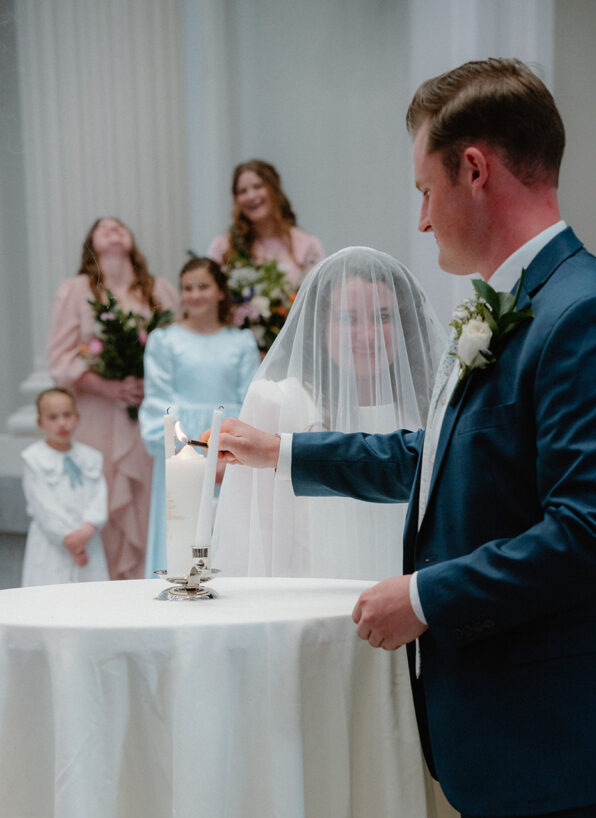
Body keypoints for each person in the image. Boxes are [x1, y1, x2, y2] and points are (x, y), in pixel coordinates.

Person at [212, 59, 596, 818]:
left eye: (423, 191)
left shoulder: (584, 314)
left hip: (577, 747)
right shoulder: (519, 308)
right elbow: (443, 459)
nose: (419, 221)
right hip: (515, 741)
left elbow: (595, 530)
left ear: (475, 170)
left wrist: (421, 597)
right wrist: (286, 451)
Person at [211, 246, 444, 580]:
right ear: (320, 326)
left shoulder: (427, 406)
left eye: (383, 317)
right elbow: (249, 545)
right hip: (309, 615)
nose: (368, 335)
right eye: (349, 318)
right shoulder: (277, 403)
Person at [47, 217, 179, 580]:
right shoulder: (75, 290)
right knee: (102, 499)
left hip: (147, 416)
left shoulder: (160, 290)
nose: (113, 228)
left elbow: (176, 349)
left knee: (148, 502)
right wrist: (109, 388)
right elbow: (59, 361)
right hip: (98, 417)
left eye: (119, 225)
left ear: (132, 241)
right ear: (91, 243)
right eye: (103, 227)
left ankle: (148, 584)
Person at [139, 256, 260, 577]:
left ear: (221, 292)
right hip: (182, 444)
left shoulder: (240, 341)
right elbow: (157, 400)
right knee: (183, 526)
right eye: (187, 288)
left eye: (203, 286)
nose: (194, 295)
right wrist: (182, 456)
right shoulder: (165, 340)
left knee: (229, 527)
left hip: (228, 443)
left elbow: (250, 399)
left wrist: (227, 456)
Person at [21, 388, 109, 586]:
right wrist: (69, 539)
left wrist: (87, 529)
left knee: (90, 593)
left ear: (77, 417)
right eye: (53, 417)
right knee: (50, 591)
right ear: (40, 422)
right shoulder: (33, 459)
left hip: (87, 539)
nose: (62, 423)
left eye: (67, 415)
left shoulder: (91, 457)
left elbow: (99, 495)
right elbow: (42, 503)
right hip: (52, 543)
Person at [207, 159, 324, 291]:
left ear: (274, 189)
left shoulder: (306, 245)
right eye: (242, 191)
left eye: (258, 186)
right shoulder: (223, 246)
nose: (251, 196)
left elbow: (319, 297)